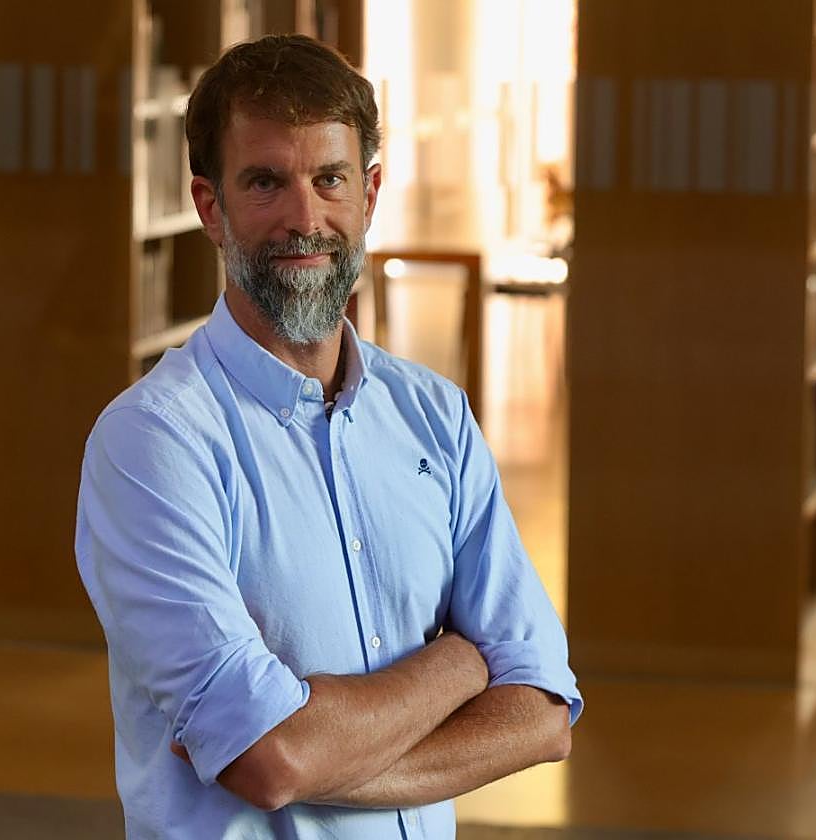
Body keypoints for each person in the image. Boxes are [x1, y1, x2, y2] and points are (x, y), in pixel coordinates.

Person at [75, 33, 582, 839]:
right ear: (210, 207)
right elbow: (270, 758)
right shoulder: (151, 445)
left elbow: (543, 715)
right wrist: (462, 660)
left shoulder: (436, 417)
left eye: (330, 180)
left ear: (369, 194)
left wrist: (315, 754)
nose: (304, 220)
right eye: (266, 182)